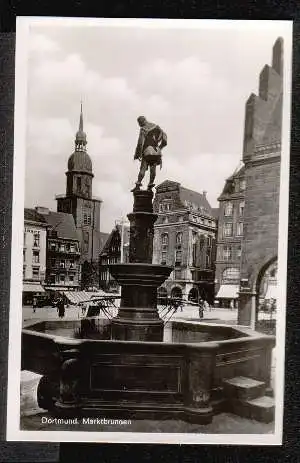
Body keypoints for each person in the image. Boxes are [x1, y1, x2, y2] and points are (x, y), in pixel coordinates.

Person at [132, 116, 167, 192]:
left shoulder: (143, 129)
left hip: (147, 151)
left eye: (139, 123)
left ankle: (138, 185)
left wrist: (138, 155)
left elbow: (140, 143)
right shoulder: (156, 127)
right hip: (156, 152)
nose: (139, 125)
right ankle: (150, 187)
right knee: (153, 170)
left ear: (141, 122)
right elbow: (164, 138)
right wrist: (160, 147)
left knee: (143, 169)